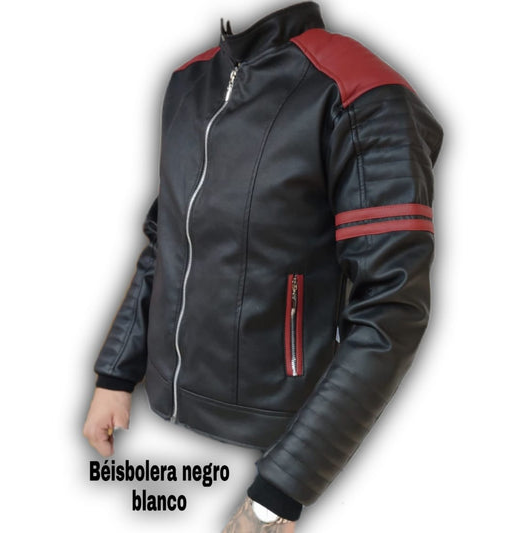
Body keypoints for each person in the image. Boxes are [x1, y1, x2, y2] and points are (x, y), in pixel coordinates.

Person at [83, 2, 443, 531]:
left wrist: (277, 494)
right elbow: (166, 242)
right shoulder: (189, 81)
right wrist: (115, 375)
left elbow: (391, 308)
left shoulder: (359, 90)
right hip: (157, 433)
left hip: (284, 446)